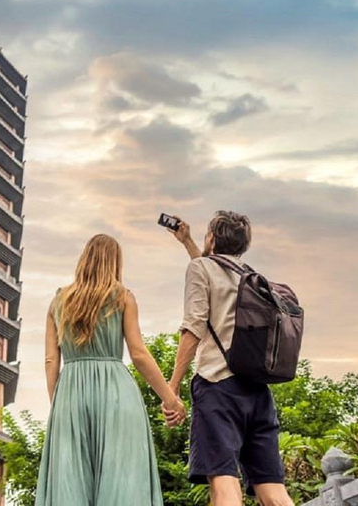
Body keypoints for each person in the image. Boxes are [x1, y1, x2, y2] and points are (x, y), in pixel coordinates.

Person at [35, 234, 186, 506]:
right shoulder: (123, 298)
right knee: (122, 478)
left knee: (70, 483)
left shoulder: (58, 301)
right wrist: (170, 398)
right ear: (115, 262)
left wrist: (59, 406)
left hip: (70, 393)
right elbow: (138, 354)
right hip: (117, 394)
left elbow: (50, 360)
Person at [164, 211, 294, 506]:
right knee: (273, 492)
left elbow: (194, 327)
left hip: (218, 388)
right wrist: (187, 243)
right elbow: (212, 274)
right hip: (258, 392)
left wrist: (172, 387)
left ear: (211, 238)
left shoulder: (201, 269)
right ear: (243, 245)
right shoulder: (251, 277)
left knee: (224, 485)